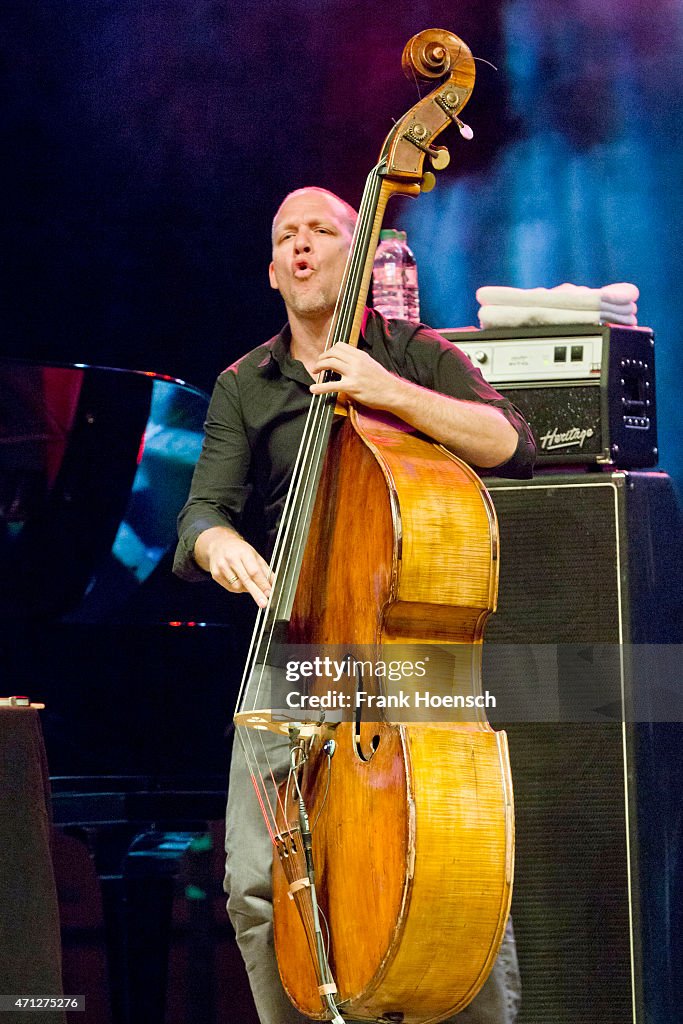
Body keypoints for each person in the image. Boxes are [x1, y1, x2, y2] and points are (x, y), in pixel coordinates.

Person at [174, 186, 535, 1024]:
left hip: (409, 653)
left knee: (451, 862)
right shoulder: (244, 384)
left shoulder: (412, 353)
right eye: (284, 237)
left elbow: (510, 442)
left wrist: (388, 389)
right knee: (256, 886)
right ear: (271, 270)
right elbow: (201, 511)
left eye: (320, 232)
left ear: (361, 249)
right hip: (292, 647)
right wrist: (216, 543)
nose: (301, 246)